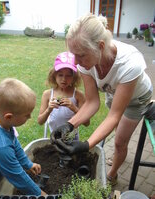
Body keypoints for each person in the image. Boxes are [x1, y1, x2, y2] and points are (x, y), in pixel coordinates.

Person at [51, 13, 153, 186]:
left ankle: (112, 175)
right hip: (114, 93)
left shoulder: (129, 64)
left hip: (137, 98)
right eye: (73, 54)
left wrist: (85, 146)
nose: (75, 61)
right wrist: (70, 125)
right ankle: (118, 157)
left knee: (120, 141)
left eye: (81, 55)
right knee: (115, 130)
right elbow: (92, 102)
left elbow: (113, 116)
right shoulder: (86, 62)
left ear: (100, 46)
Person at [38, 51, 89, 139]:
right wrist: (49, 109)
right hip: (54, 137)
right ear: (54, 76)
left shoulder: (78, 95)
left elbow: (87, 123)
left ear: (74, 77)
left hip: (72, 138)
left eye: (68, 76)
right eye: (60, 75)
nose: (64, 79)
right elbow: (40, 121)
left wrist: (74, 108)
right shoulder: (47, 94)